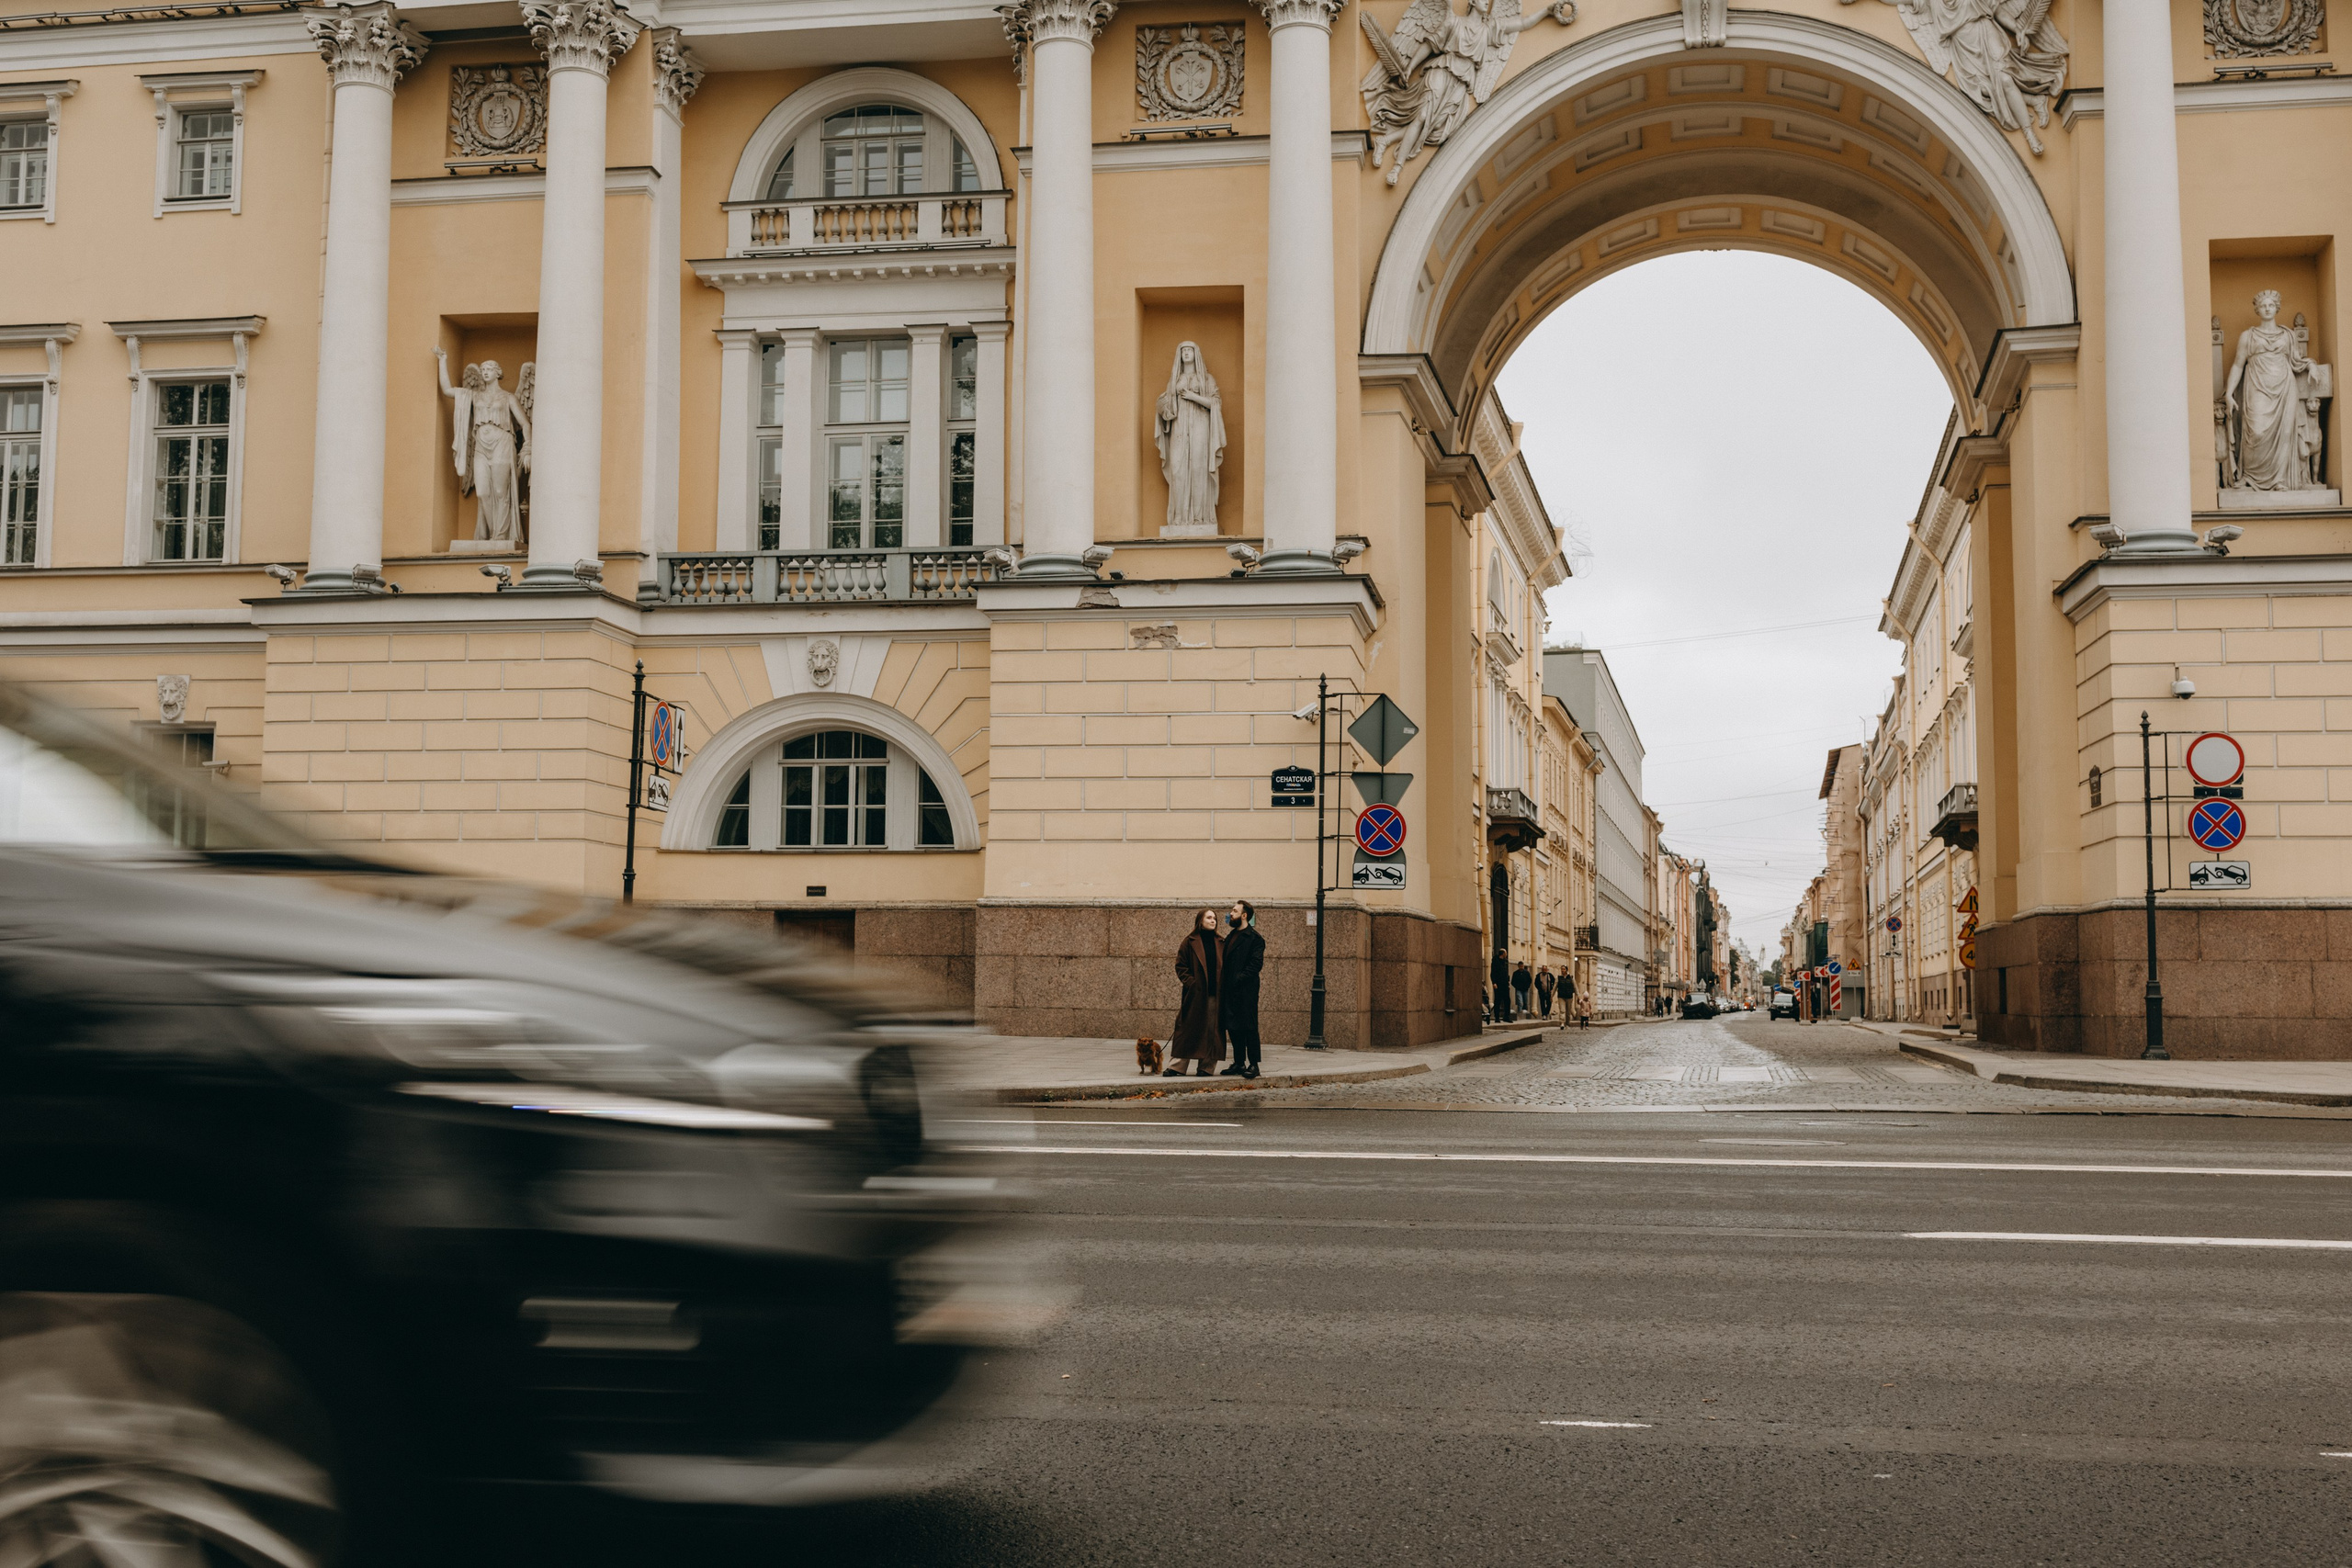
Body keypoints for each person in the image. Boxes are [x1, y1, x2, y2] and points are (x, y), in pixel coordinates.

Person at [1168, 909, 1226, 1077]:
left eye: (1215, 918)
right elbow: (1181, 965)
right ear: (1200, 920)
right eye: (1209, 917)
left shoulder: (1221, 942)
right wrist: (1191, 983)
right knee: (1186, 1028)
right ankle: (1177, 1067)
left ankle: (1206, 1067)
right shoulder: (1189, 941)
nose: (1213, 920)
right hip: (1195, 994)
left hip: (1215, 994)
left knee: (1212, 1030)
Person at [1216, 899, 1265, 1079]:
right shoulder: (1230, 936)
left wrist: (1238, 979)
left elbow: (1255, 965)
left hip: (1246, 991)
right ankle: (1239, 1062)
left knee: (1249, 1027)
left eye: (1235, 911)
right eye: (1232, 910)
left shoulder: (1255, 938)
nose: (1231, 913)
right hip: (1229, 990)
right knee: (1233, 1027)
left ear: (1244, 916)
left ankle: (1254, 1064)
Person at [1490, 949, 1511, 1022]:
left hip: (1504, 984)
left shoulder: (1504, 962)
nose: (1507, 955)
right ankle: (1497, 1017)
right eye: (1506, 953)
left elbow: (1505, 973)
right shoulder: (1495, 961)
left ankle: (1506, 1017)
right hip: (1498, 984)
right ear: (1503, 954)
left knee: (1507, 1000)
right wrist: (1494, 983)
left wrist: (1508, 983)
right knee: (1497, 1000)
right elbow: (1493, 973)